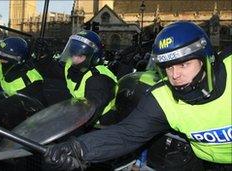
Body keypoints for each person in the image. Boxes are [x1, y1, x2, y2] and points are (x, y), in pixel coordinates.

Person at [44, 21, 232, 170]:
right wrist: (78, 149)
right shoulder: (163, 97)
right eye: (168, 67)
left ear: (205, 58)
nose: (175, 75)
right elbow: (127, 134)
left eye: (184, 65)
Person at [34, 30, 118, 126]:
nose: (74, 58)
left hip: (99, 126)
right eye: (73, 53)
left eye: (80, 55)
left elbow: (90, 112)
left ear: (93, 57)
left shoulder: (99, 79)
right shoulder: (73, 67)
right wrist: (45, 56)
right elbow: (52, 70)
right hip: (75, 114)